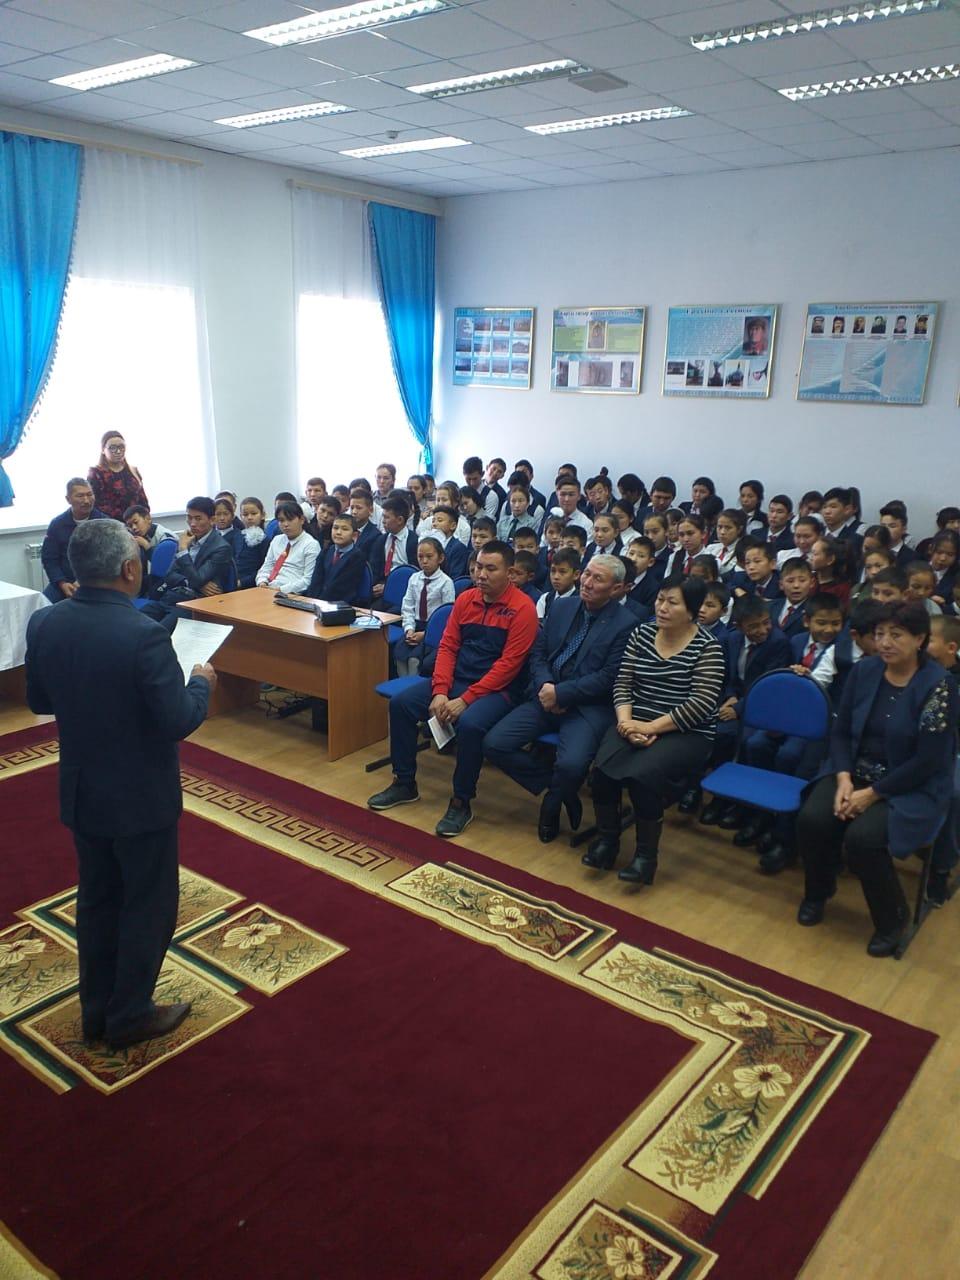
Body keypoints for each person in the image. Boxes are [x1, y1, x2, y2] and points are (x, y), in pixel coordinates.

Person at [24, 519, 215, 1049]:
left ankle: (96, 1011)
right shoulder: (143, 633)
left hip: (82, 788)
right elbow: (178, 718)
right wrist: (200, 684)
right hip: (140, 795)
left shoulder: (45, 622)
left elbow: (39, 701)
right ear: (131, 569)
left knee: (97, 899)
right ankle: (129, 1014)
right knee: (148, 904)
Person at [795, 602, 957, 956]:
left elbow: (929, 761)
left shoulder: (939, 686)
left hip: (909, 784)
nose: (884, 642)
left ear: (919, 639)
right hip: (854, 770)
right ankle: (818, 892)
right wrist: (843, 778)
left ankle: (892, 919)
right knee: (812, 818)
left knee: (863, 838)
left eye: (896, 635)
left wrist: (872, 794)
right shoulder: (865, 670)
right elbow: (840, 731)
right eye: (880, 634)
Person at [367, 542, 538, 837]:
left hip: (499, 690)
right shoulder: (466, 599)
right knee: (402, 704)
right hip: (458, 679)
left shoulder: (523, 609)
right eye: (479, 567)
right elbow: (447, 647)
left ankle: (461, 801)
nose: (481, 575)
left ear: (510, 573)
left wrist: (466, 700)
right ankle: (404, 783)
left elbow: (509, 665)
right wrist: (441, 691)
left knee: (470, 724)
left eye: (491, 569)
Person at [484, 555, 637, 842]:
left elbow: (608, 677)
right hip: (545, 695)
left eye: (598, 579)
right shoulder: (562, 606)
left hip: (586, 708)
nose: (587, 583)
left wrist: (561, 693)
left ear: (617, 588)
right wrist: (546, 686)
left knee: (571, 766)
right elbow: (538, 653)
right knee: (494, 743)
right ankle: (560, 790)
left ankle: (552, 805)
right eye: (587, 574)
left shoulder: (626, 624)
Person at [582, 574, 725, 882]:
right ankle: (607, 841)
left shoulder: (708, 647)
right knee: (602, 773)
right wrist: (625, 722)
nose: (662, 607)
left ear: (692, 610)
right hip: (634, 720)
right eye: (660, 599)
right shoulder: (642, 633)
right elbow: (623, 683)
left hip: (685, 731)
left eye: (672, 603)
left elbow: (701, 704)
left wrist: (650, 727)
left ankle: (646, 858)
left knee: (642, 778)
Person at [142, 496, 234, 624]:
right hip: (173, 596)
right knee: (136, 621)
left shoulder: (221, 548)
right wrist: (192, 582)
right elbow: (170, 574)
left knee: (160, 631)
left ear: (212, 520)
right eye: (189, 517)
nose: (192, 524)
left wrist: (183, 551)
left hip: (195, 603)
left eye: (198, 518)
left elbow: (197, 579)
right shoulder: (188, 539)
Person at [393, 536, 455, 676]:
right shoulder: (414, 578)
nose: (424, 561)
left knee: (414, 660)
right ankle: (402, 686)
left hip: (433, 630)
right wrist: (409, 629)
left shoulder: (446, 582)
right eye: (420, 557)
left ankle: (412, 685)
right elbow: (407, 606)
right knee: (399, 654)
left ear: (440, 558)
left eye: (429, 556)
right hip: (415, 625)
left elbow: (446, 615)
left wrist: (425, 634)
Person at [41, 478, 108, 602]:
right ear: (68, 499)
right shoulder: (57, 524)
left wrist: (86, 580)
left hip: (97, 583)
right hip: (64, 583)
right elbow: (49, 558)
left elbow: (110, 559)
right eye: (80, 496)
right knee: (43, 606)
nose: (86, 500)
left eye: (90, 494)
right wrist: (62, 583)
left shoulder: (105, 523)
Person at [255, 500, 320, 594]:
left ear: (302, 520)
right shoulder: (277, 540)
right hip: (269, 589)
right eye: (281, 520)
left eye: (290, 519)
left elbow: (307, 580)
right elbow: (266, 567)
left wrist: (280, 589)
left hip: (292, 593)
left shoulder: (311, 544)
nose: (285, 524)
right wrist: (262, 582)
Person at [86, 431, 148, 521]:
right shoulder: (96, 474)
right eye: (112, 448)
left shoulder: (133, 470)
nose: (118, 451)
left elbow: (143, 501)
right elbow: (93, 505)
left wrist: (144, 521)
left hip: (135, 524)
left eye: (121, 447)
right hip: (109, 525)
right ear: (103, 450)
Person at [307, 513, 369, 603]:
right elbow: (316, 580)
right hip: (317, 601)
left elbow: (342, 587)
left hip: (341, 603)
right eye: (335, 528)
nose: (338, 532)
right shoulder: (326, 551)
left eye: (345, 529)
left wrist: (321, 602)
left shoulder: (357, 557)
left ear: (354, 535)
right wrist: (311, 600)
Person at [369, 496, 418, 596]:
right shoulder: (381, 540)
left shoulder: (414, 542)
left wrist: (389, 587)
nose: (383, 521)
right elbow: (374, 569)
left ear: (400, 520)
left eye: (386, 517)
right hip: (380, 587)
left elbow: (415, 574)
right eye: (383, 516)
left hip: (403, 589)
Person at [536, 546, 581, 619]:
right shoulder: (545, 599)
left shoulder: (581, 603)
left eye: (562, 572)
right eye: (553, 571)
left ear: (576, 575)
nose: (556, 577)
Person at [236, 496, 269, 588]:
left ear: (262, 515)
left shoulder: (265, 540)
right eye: (245, 514)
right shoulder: (237, 536)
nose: (249, 517)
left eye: (254, 514)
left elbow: (265, 567)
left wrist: (242, 582)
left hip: (252, 583)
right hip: (233, 580)